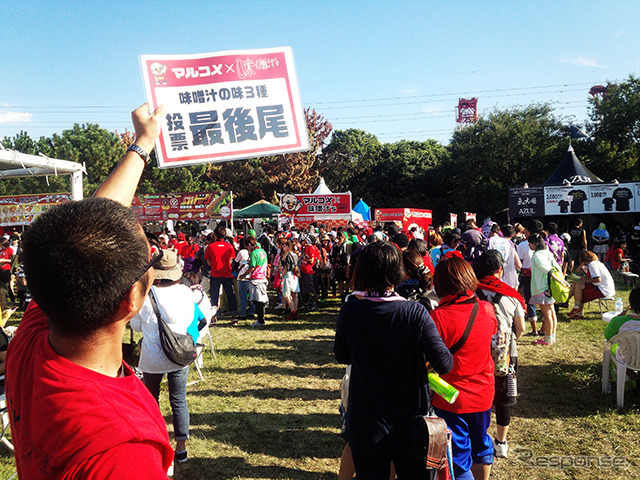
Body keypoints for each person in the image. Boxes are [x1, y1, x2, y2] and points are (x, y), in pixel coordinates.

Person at [6, 104, 174, 478]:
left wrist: (143, 144)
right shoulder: (123, 449)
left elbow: (89, 227)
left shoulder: (34, 339)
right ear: (130, 300)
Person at [334, 242, 453, 480]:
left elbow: (342, 356)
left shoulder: (350, 311)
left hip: (366, 419)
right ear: (398, 273)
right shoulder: (415, 312)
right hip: (411, 421)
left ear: (363, 271)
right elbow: (445, 363)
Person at [131, 249, 205, 465]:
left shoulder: (146, 296)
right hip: (180, 354)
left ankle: (155, 443)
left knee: (150, 401)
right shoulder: (185, 292)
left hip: (152, 357)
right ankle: (181, 448)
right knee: (179, 400)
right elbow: (190, 319)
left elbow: (136, 326)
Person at [429, 256, 497, 480]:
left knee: (456, 457)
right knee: (482, 445)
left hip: (450, 398)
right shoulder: (487, 309)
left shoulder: (438, 317)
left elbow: (430, 359)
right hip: (484, 393)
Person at [475, 251, 526, 459]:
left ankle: (479, 436)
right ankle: (501, 442)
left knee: (479, 393)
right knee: (503, 396)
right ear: (500, 269)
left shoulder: (470, 291)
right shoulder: (511, 295)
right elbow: (520, 328)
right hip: (504, 352)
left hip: (475, 351)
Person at [528, 232, 558, 345]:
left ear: (535, 243)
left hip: (541, 287)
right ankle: (552, 336)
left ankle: (548, 338)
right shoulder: (547, 252)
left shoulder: (537, 255)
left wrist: (558, 279)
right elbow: (555, 266)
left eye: (530, 243)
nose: (529, 246)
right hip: (549, 287)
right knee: (552, 312)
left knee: (547, 315)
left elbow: (546, 269)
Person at [567, 250, 615, 319]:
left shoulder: (592, 265)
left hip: (603, 289)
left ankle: (574, 306)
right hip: (604, 287)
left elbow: (598, 279)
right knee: (576, 285)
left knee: (578, 287)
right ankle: (575, 308)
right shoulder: (597, 263)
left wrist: (586, 279)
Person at [204, 224, 238, 320]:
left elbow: (208, 262)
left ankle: (213, 317)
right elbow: (231, 260)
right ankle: (234, 316)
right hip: (227, 273)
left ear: (215, 235)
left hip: (215, 274)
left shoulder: (210, 247)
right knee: (230, 295)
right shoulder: (229, 247)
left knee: (214, 297)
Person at [241, 237, 269, 327]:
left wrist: (244, 275)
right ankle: (261, 319)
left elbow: (252, 267)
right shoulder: (263, 251)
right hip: (263, 277)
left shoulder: (254, 253)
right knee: (262, 300)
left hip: (256, 279)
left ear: (249, 245)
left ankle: (260, 320)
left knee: (258, 301)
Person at [280, 239, 300, 320]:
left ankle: (292, 311)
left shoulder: (289, 256)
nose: (284, 247)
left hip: (288, 275)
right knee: (294, 294)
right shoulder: (295, 255)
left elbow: (287, 267)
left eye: (285, 246)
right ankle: (295, 309)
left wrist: (281, 275)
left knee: (287, 294)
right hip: (294, 275)